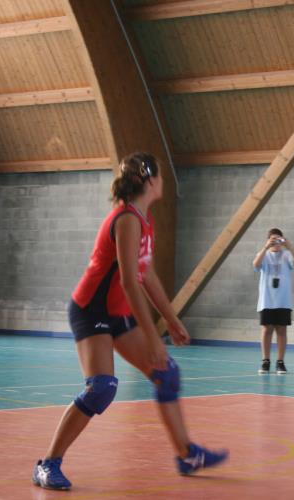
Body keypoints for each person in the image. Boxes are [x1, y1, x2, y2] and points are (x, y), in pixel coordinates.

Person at [32, 153, 228, 491]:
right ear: (150, 180)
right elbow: (128, 281)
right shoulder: (126, 219)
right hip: (92, 310)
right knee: (101, 388)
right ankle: (47, 464)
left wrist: (171, 320)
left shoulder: (143, 218)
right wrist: (153, 338)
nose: (164, 181)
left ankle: (186, 455)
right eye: (161, 176)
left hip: (117, 311)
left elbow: (146, 274)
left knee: (166, 374)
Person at [253, 228, 294, 375]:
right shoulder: (264, 255)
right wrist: (265, 247)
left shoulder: (287, 255)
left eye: (279, 239)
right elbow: (255, 265)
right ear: (268, 240)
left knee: (282, 330)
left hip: (283, 301)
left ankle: (280, 362)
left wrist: (290, 247)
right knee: (266, 330)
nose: (276, 242)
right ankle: (265, 361)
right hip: (267, 300)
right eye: (273, 239)